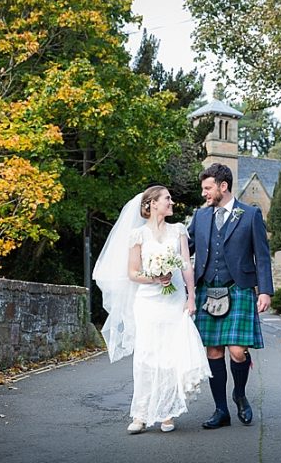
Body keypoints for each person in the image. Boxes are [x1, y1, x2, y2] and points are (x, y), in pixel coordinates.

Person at [93, 185, 211, 434]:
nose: (172, 202)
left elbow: (187, 267)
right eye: (167, 199)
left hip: (174, 301)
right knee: (146, 356)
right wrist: (155, 278)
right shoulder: (138, 235)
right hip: (148, 302)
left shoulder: (178, 231)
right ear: (153, 204)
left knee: (170, 356)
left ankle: (167, 412)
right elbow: (133, 273)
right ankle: (141, 414)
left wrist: (191, 298)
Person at [187, 163, 274, 429]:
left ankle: (239, 393)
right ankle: (221, 410)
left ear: (223, 187)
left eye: (207, 188)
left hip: (239, 287)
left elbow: (262, 254)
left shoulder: (250, 214)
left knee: (237, 351)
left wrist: (265, 290)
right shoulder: (200, 217)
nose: (204, 193)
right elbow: (182, 248)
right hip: (207, 289)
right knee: (213, 351)